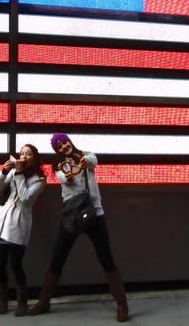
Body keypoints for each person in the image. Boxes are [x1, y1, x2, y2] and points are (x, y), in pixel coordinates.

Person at [29, 133, 129, 322]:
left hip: (94, 213)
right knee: (57, 259)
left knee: (107, 260)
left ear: (70, 141)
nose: (64, 146)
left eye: (65, 142)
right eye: (59, 145)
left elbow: (93, 160)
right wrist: (67, 174)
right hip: (72, 216)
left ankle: (122, 305)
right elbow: (64, 178)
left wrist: (83, 160)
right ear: (56, 150)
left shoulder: (86, 155)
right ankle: (44, 302)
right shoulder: (58, 166)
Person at [0, 143, 46, 316]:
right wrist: (4, 172)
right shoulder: (14, 172)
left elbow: (25, 199)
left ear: (35, 158)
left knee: (16, 264)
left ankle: (22, 302)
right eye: (22, 153)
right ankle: (3, 301)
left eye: (28, 154)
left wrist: (20, 174)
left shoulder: (40, 179)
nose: (24, 156)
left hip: (20, 222)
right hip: (3, 220)